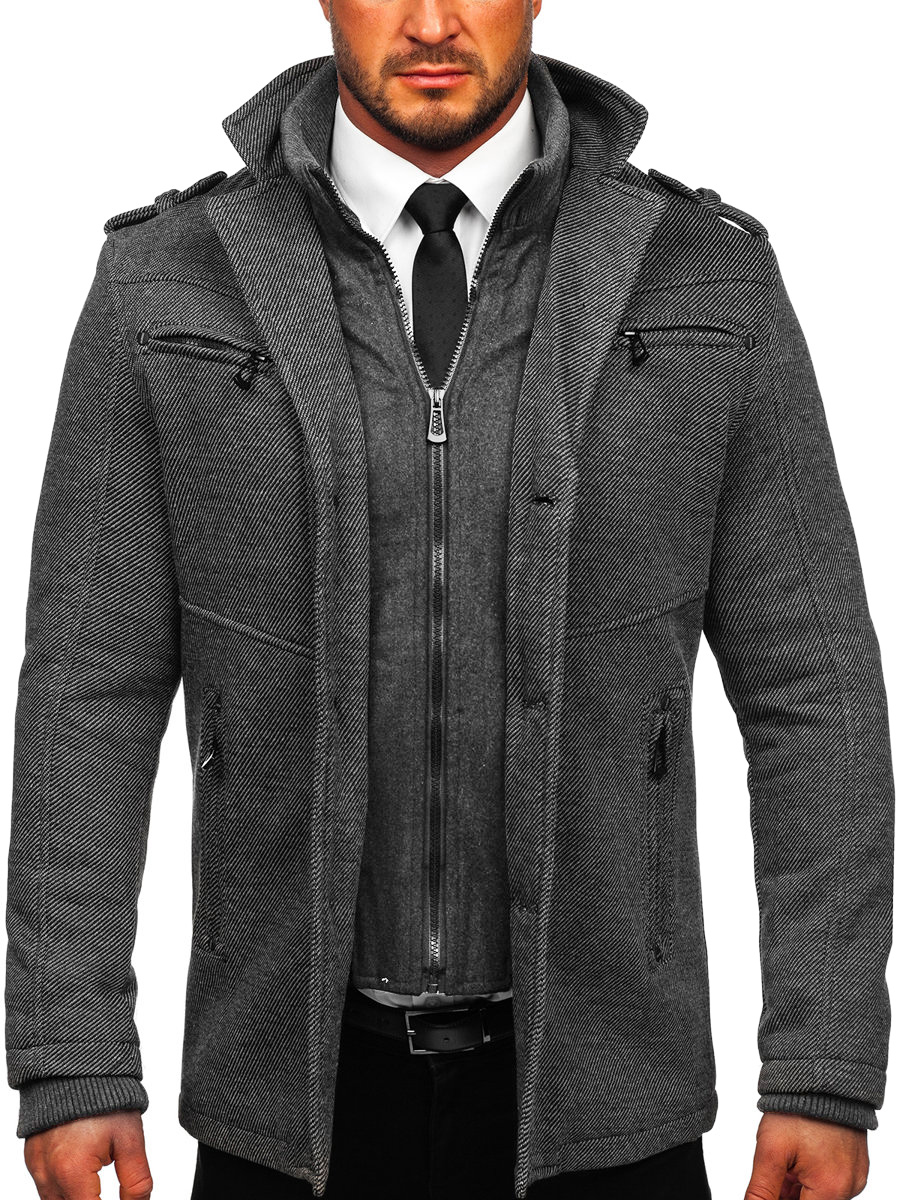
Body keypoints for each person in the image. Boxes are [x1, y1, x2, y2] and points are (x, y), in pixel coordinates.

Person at [5, 2, 893, 1198]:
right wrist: (71, 1054)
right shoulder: (166, 279)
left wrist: (824, 1064)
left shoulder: (707, 275)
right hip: (287, 1107)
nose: (431, 21)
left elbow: (813, 693)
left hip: (609, 1102)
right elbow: (87, 693)